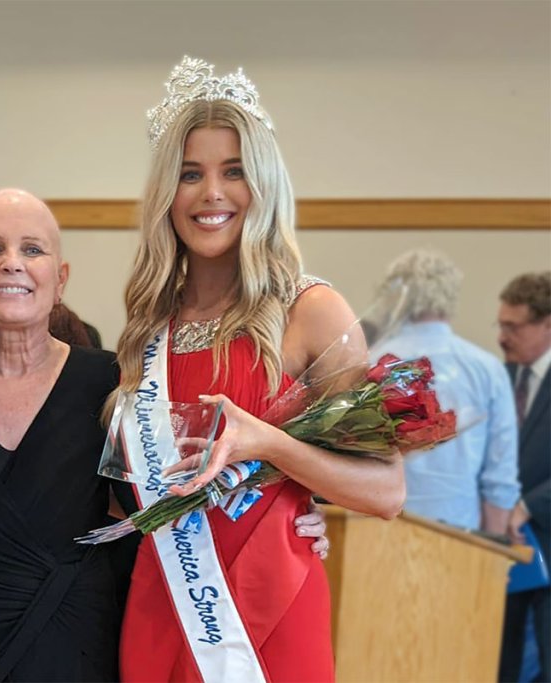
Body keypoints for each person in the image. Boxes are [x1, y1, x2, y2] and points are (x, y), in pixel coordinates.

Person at [0, 188, 330, 682]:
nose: (12, 264)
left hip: (75, 641)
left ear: (60, 279)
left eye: (33, 249)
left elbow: (169, 494)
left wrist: (288, 516)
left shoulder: (109, 380)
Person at [113, 57, 405, 682]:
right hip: (162, 594)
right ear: (168, 193)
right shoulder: (147, 324)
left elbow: (386, 490)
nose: (211, 193)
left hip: (273, 604)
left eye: (233, 172)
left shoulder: (313, 310)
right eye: (190, 174)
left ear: (263, 183)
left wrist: (269, 445)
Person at [371, 249, 519, 532]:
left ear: (394, 295)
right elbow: (500, 473)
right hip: (460, 527)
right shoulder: (487, 368)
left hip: (381, 525)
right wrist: (496, 546)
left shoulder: (372, 362)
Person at [497, 271, 550, 683]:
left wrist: (529, 505)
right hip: (503, 546)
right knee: (501, 660)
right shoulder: (502, 377)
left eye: (513, 327)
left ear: (547, 325)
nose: (502, 336)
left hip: (544, 533)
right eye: (501, 324)